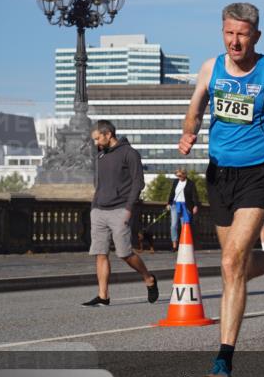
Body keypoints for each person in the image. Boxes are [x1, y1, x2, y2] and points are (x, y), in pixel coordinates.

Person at [179, 2, 264, 377]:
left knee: (229, 261)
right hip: (220, 175)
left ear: (255, 35)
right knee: (233, 267)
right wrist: (188, 131)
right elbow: (195, 108)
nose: (234, 41)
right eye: (228, 33)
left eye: (241, 34)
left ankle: (223, 361)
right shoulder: (211, 68)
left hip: (260, 174)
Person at [82, 120, 159, 306]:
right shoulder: (101, 156)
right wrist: (94, 206)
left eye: (98, 138)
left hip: (120, 210)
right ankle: (103, 295)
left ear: (108, 134)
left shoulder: (129, 153)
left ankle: (148, 278)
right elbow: (99, 184)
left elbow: (138, 182)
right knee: (100, 253)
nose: (96, 143)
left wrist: (128, 208)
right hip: (99, 210)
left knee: (124, 253)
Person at [166, 169, 200, 251]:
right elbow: (172, 193)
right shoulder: (175, 182)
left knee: (184, 226)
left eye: (180, 175)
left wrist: (195, 205)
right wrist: (169, 203)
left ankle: (183, 244)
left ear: (185, 174)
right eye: (177, 175)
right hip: (175, 205)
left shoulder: (190, 183)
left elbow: (194, 195)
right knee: (173, 225)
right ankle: (174, 245)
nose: (179, 177)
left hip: (186, 206)